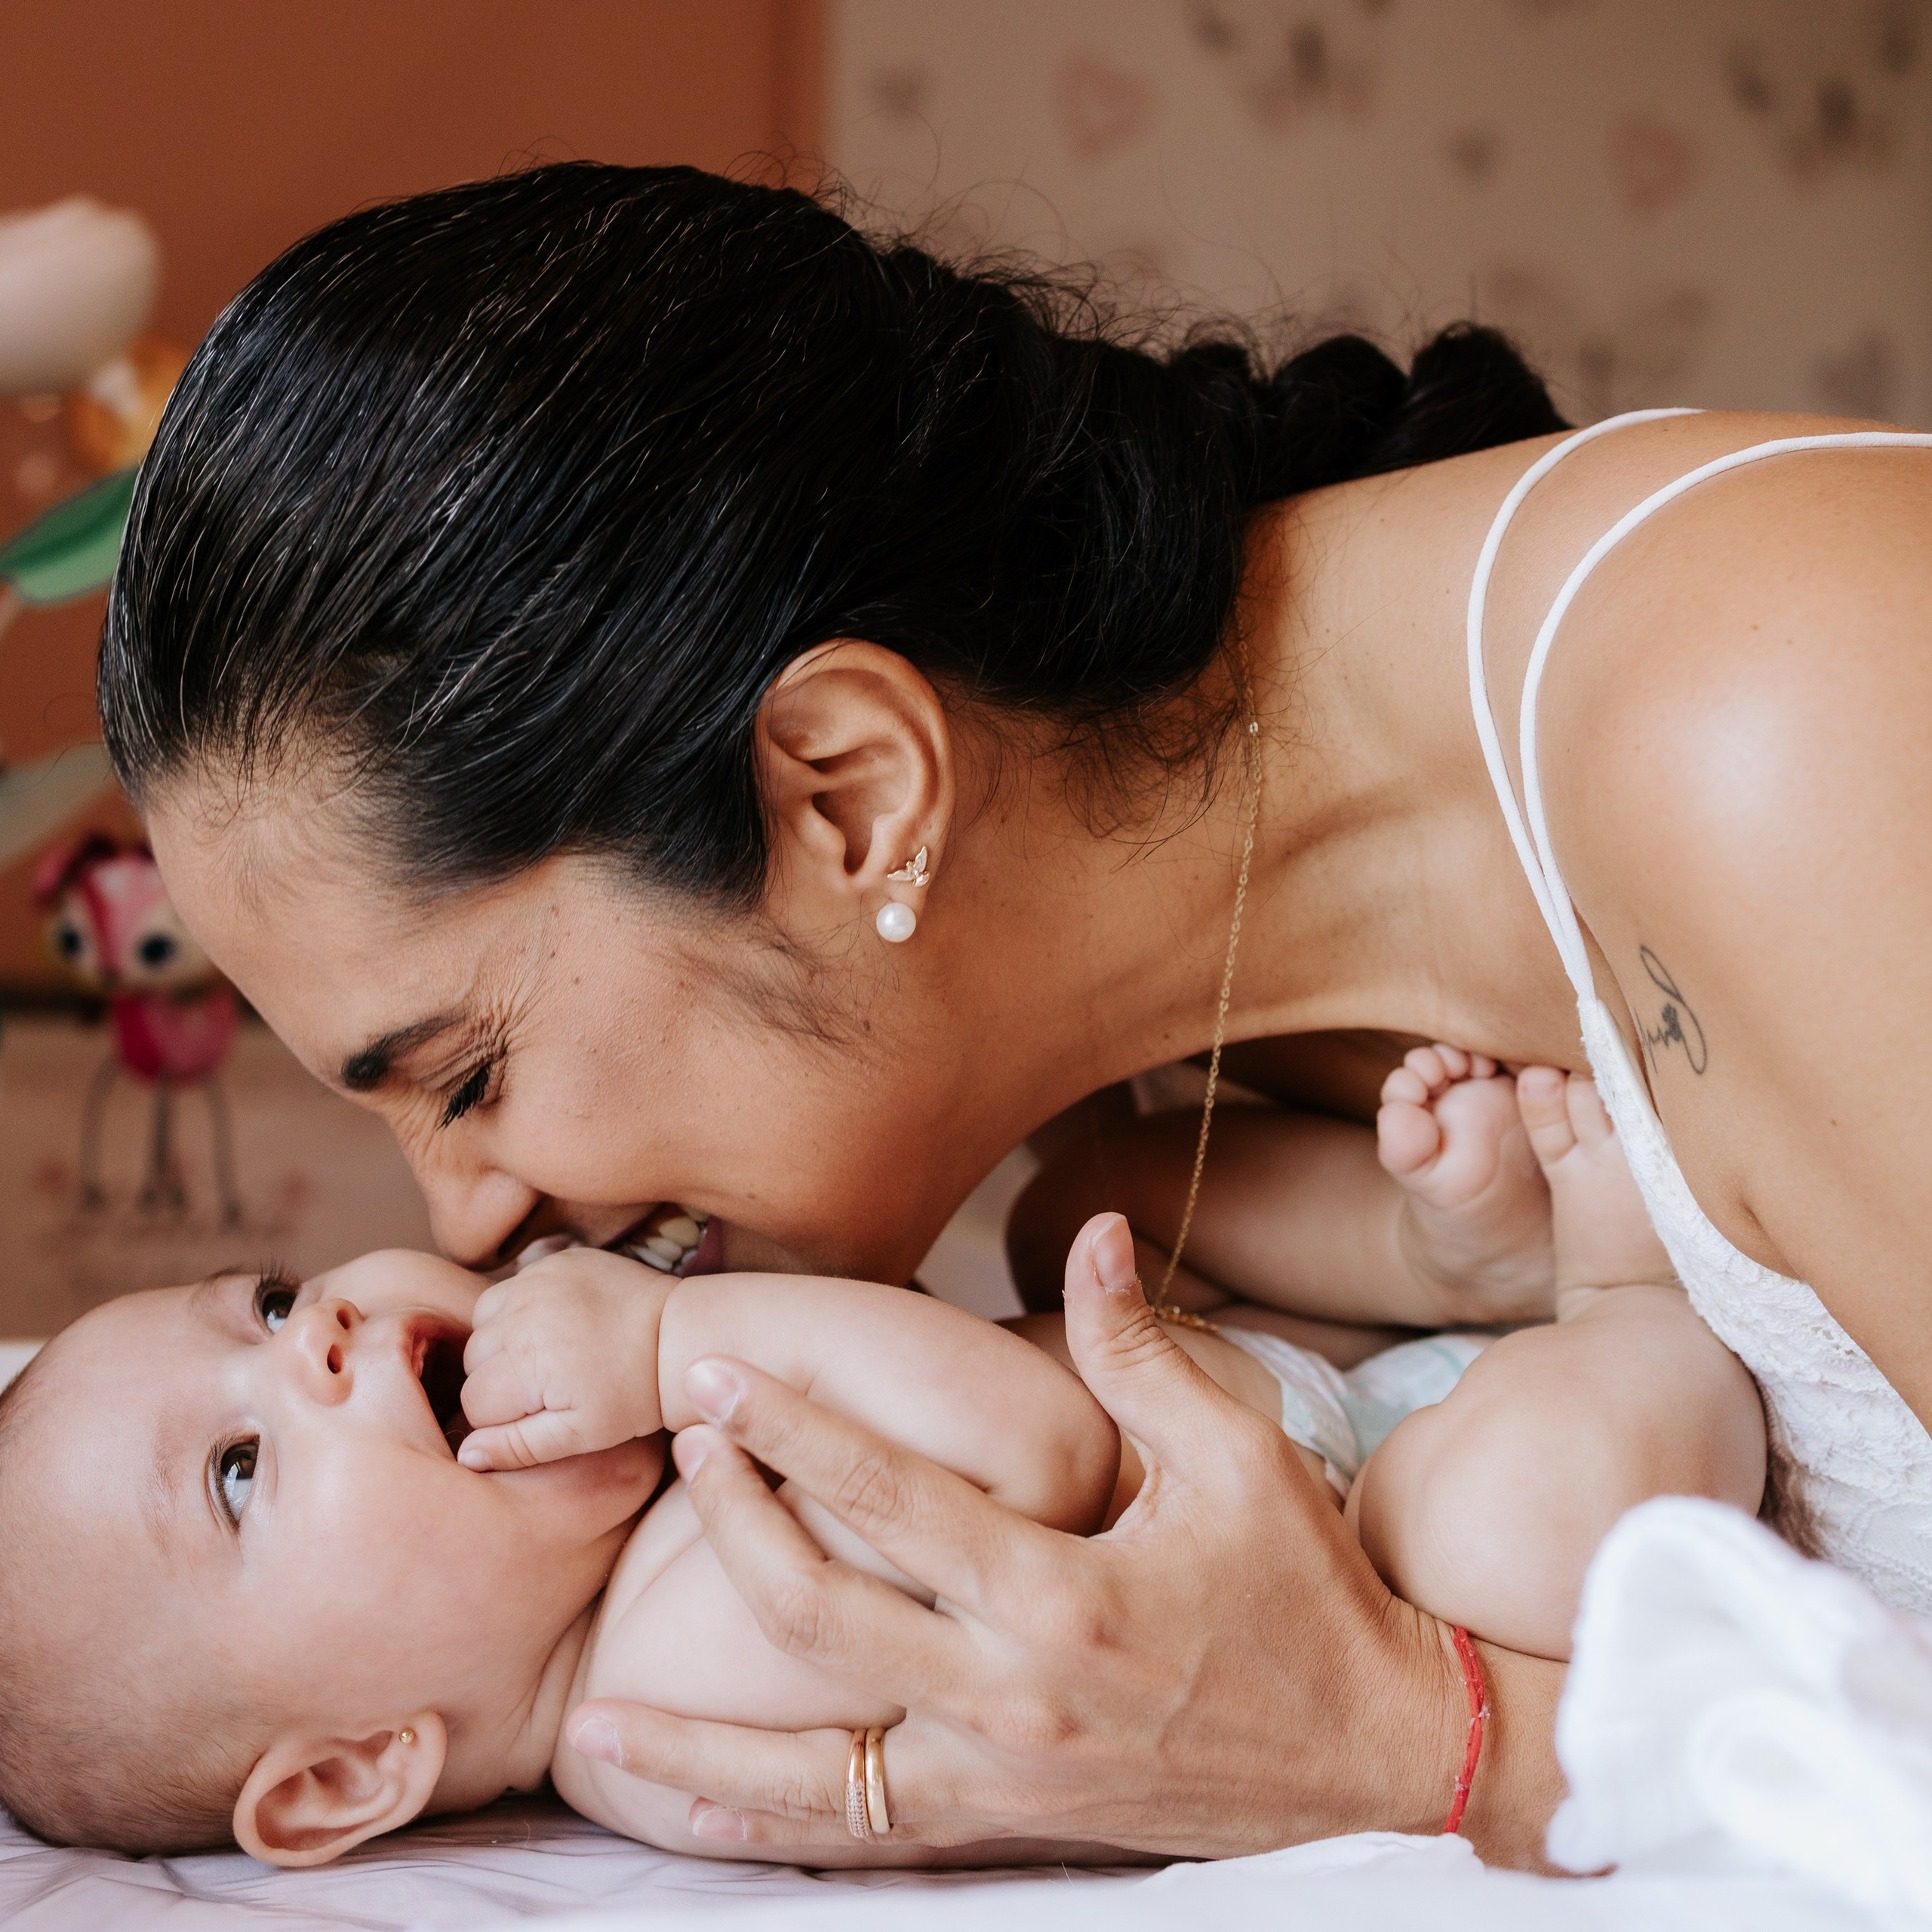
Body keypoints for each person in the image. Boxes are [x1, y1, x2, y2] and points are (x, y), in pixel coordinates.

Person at [94, 162, 1932, 1868]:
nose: (462, 1225)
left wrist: (1416, 1747)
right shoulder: (1197, 1041)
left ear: (846, 797)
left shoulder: (1793, 734)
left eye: (469, 1072)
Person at [0, 1054, 1756, 1861]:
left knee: (1095, 1201)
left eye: (270, 1296)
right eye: (239, 1468)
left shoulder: (651, 1522)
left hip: (1279, 1391)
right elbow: (1035, 1442)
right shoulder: (672, 1673)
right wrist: (676, 1341)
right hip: (1374, 1539)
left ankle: (1448, 1268)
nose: (307, 1340)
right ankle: (1616, 1304)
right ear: (348, 1775)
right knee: (1533, 1514)